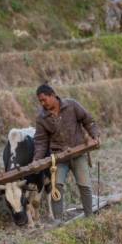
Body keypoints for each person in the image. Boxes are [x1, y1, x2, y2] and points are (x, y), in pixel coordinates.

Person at [33, 84, 100, 220]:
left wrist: (95, 136)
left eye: (44, 99)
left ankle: (89, 217)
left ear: (52, 95)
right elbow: (40, 142)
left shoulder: (71, 105)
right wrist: (37, 159)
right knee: (56, 187)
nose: (42, 103)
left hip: (78, 152)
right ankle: (58, 221)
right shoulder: (42, 118)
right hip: (59, 157)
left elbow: (88, 120)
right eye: (40, 101)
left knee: (84, 185)